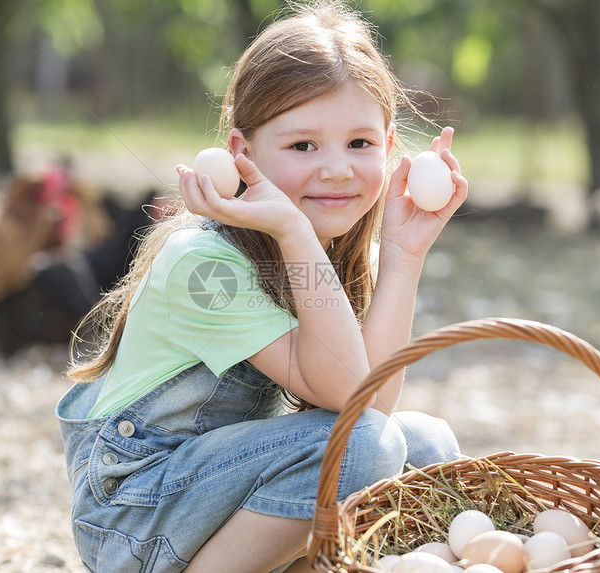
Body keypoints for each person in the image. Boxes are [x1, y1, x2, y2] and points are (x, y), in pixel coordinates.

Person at [56, 1, 468, 571]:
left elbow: (369, 402)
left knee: (428, 447)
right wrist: (296, 233)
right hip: (135, 517)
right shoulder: (202, 263)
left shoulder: (332, 252)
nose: (337, 169)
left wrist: (403, 255)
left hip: (218, 495)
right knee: (365, 448)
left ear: (390, 142)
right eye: (303, 145)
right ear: (242, 153)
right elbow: (353, 412)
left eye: (360, 143)